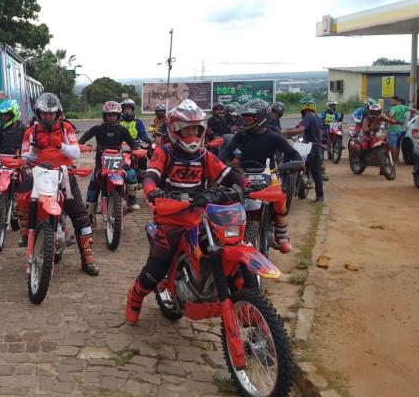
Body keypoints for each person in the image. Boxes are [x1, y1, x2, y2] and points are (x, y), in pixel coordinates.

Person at [124, 99, 276, 325]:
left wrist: (247, 185)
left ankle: (247, 304)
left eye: (196, 128)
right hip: (170, 216)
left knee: (231, 246)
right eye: (186, 129)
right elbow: (151, 175)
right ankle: (135, 297)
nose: (192, 134)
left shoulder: (204, 155)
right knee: (158, 266)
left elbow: (226, 173)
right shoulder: (164, 152)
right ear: (175, 130)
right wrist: (153, 192)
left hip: (200, 214)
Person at [16, 93, 99, 276]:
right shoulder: (30, 131)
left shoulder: (66, 127)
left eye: (51, 113)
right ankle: (25, 229)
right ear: (39, 113)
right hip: (39, 173)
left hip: (64, 174)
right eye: (44, 113)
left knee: (81, 216)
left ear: (58, 113)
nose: (48, 117)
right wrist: (35, 150)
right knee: (21, 190)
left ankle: (88, 259)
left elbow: (76, 153)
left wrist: (60, 145)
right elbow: (25, 158)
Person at [219, 99, 301, 251]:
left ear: (261, 117)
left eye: (249, 118)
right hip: (243, 174)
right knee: (226, 197)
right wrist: (216, 162)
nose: (245, 121)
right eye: (244, 118)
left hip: (269, 173)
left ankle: (282, 233)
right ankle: (227, 232)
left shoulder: (273, 136)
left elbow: (294, 154)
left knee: (279, 198)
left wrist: (293, 164)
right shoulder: (241, 135)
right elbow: (227, 150)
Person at [78, 101, 139, 222]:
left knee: (131, 174)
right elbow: (83, 138)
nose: (111, 117)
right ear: (105, 116)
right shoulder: (98, 128)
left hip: (118, 161)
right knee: (93, 184)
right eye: (109, 115)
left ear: (118, 116)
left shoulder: (122, 130)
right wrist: (80, 145)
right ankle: (91, 216)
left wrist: (136, 150)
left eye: (114, 115)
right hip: (101, 163)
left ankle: (132, 199)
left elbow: (133, 143)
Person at [282, 97, 324, 202]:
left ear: (302, 108)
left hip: (310, 148)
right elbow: (299, 127)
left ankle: (285, 183)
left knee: (292, 160)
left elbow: (300, 129)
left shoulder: (308, 116)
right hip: (316, 146)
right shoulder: (316, 117)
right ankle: (318, 195)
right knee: (316, 172)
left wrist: (284, 132)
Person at [120, 98, 151, 206]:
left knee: (142, 158)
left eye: (129, 109)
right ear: (122, 110)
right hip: (120, 146)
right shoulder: (118, 121)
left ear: (132, 110)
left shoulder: (138, 122)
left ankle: (142, 178)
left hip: (134, 145)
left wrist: (147, 139)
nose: (127, 111)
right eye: (125, 109)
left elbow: (142, 134)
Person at [387, 96, 419, 163]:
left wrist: (388, 120)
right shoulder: (404, 107)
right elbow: (413, 110)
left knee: (392, 146)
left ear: (396, 101)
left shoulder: (393, 109)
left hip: (393, 129)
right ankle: (397, 159)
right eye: (391, 101)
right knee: (398, 144)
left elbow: (390, 117)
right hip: (400, 129)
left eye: (392, 101)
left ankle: (393, 160)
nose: (391, 102)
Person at [319, 100, 343, 181]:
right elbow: (321, 119)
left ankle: (339, 145)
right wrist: (322, 121)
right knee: (323, 138)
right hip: (326, 127)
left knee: (340, 133)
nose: (334, 107)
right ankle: (322, 150)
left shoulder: (335, 114)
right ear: (328, 106)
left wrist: (341, 117)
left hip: (334, 127)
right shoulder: (324, 112)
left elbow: (339, 119)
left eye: (334, 106)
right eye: (332, 105)